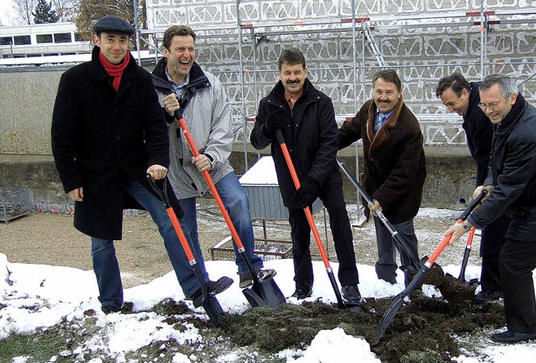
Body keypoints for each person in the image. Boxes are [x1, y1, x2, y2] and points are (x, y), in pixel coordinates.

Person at [51, 16, 233, 314]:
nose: (117, 46)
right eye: (110, 39)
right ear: (97, 40)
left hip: (138, 169)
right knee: (101, 240)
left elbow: (155, 126)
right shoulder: (75, 80)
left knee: (171, 218)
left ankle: (196, 286)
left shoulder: (140, 79)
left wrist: (159, 161)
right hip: (95, 174)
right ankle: (110, 302)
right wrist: (71, 180)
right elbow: (61, 135)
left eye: (122, 41)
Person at [444, 73, 536, 344]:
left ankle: (523, 328)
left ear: (512, 97)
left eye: (493, 104)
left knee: (512, 262)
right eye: (483, 105)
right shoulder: (511, 118)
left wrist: (468, 222)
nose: (487, 110)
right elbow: (501, 164)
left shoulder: (528, 133)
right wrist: (488, 183)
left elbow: (509, 189)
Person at [151, 25, 274, 289]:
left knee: (238, 203)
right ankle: (201, 284)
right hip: (176, 171)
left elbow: (223, 125)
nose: (187, 55)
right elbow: (146, 131)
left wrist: (212, 155)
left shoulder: (209, 83)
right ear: (165, 52)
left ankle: (249, 268)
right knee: (187, 228)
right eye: (180, 49)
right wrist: (164, 114)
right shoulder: (152, 89)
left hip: (212, 163)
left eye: (191, 49)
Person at [250, 48, 361, 304]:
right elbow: (256, 141)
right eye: (287, 72)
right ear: (279, 74)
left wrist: (313, 181)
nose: (293, 77)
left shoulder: (321, 102)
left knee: (339, 221)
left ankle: (350, 282)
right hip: (291, 175)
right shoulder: (269, 104)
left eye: (297, 72)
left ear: (305, 72)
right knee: (299, 231)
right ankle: (302, 285)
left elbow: (329, 144)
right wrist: (268, 126)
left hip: (323, 175)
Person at [339, 69, 426, 285]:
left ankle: (413, 282)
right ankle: (385, 282)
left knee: (403, 235)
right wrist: (325, 144)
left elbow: (404, 173)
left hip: (401, 193)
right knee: (383, 235)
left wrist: (382, 198)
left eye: (389, 92)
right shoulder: (369, 110)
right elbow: (349, 131)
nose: (383, 97)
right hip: (376, 189)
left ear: (399, 94)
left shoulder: (409, 127)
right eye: (379, 91)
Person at [436, 72, 511, 302]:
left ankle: (492, 287)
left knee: (493, 231)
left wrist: (485, 186)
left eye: (452, 103)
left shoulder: (480, 114)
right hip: (490, 175)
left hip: (498, 178)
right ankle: (493, 281)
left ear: (466, 92)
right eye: (446, 105)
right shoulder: (474, 107)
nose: (450, 109)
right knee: (492, 231)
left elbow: (490, 155)